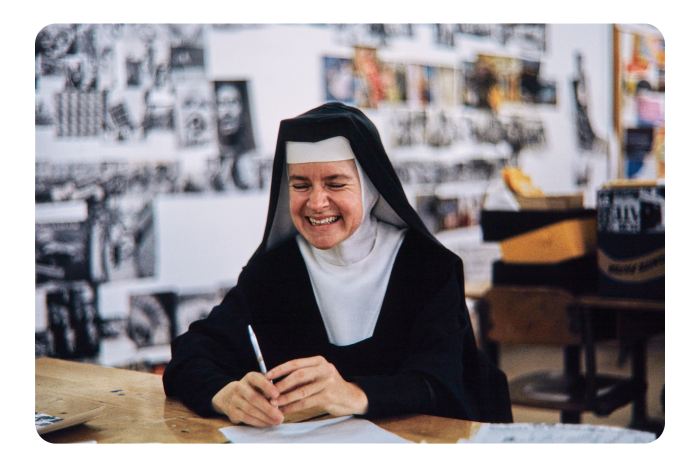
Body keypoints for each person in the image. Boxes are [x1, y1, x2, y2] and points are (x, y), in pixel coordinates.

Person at [163, 102, 512, 427]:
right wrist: (224, 395)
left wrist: (354, 395)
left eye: (336, 183)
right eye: (300, 185)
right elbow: (191, 354)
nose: (316, 202)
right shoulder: (273, 273)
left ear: (370, 188)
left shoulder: (426, 268)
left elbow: (443, 383)